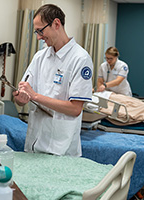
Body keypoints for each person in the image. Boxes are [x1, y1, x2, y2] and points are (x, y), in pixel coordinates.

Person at [13, 4, 93, 157]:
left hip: (61, 148)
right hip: (34, 144)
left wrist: (35, 96)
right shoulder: (40, 57)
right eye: (36, 32)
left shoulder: (80, 59)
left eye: (40, 31)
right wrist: (20, 98)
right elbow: (22, 98)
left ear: (56, 24)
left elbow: (75, 109)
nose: (38, 37)